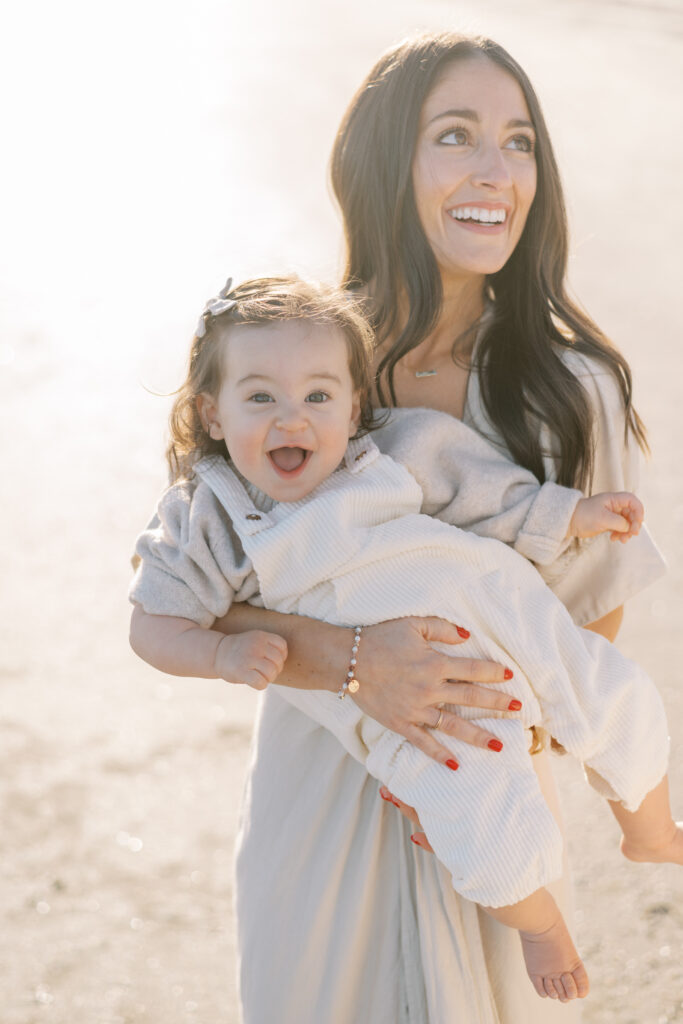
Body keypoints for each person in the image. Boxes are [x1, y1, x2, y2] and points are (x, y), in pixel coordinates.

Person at [136, 32, 665, 1024]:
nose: (492, 172)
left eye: (517, 143)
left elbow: (587, 637)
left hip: (484, 803)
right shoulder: (293, 369)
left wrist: (469, 746)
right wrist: (352, 664)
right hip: (322, 798)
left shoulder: (573, 393)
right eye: (454, 135)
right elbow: (196, 596)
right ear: (387, 163)